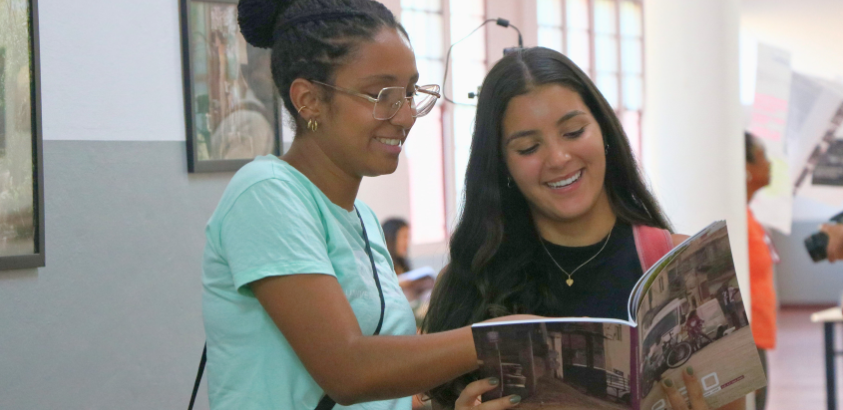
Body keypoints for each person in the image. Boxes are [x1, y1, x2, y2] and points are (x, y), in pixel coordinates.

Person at [202, 1, 527, 409]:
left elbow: (379, 394)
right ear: (309, 100)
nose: (406, 115)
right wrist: (503, 337)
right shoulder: (265, 193)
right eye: (383, 95)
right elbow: (348, 372)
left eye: (410, 93)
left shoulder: (365, 220)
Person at [422, 47, 745, 410]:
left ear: (604, 130)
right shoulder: (469, 284)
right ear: (502, 167)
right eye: (529, 148)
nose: (558, 158)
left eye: (573, 132)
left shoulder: (681, 262)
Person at [745, 132, 777, 410]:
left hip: (758, 337)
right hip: (745, 341)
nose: (770, 164)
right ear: (746, 169)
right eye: (762, 157)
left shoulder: (748, 214)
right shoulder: (736, 218)